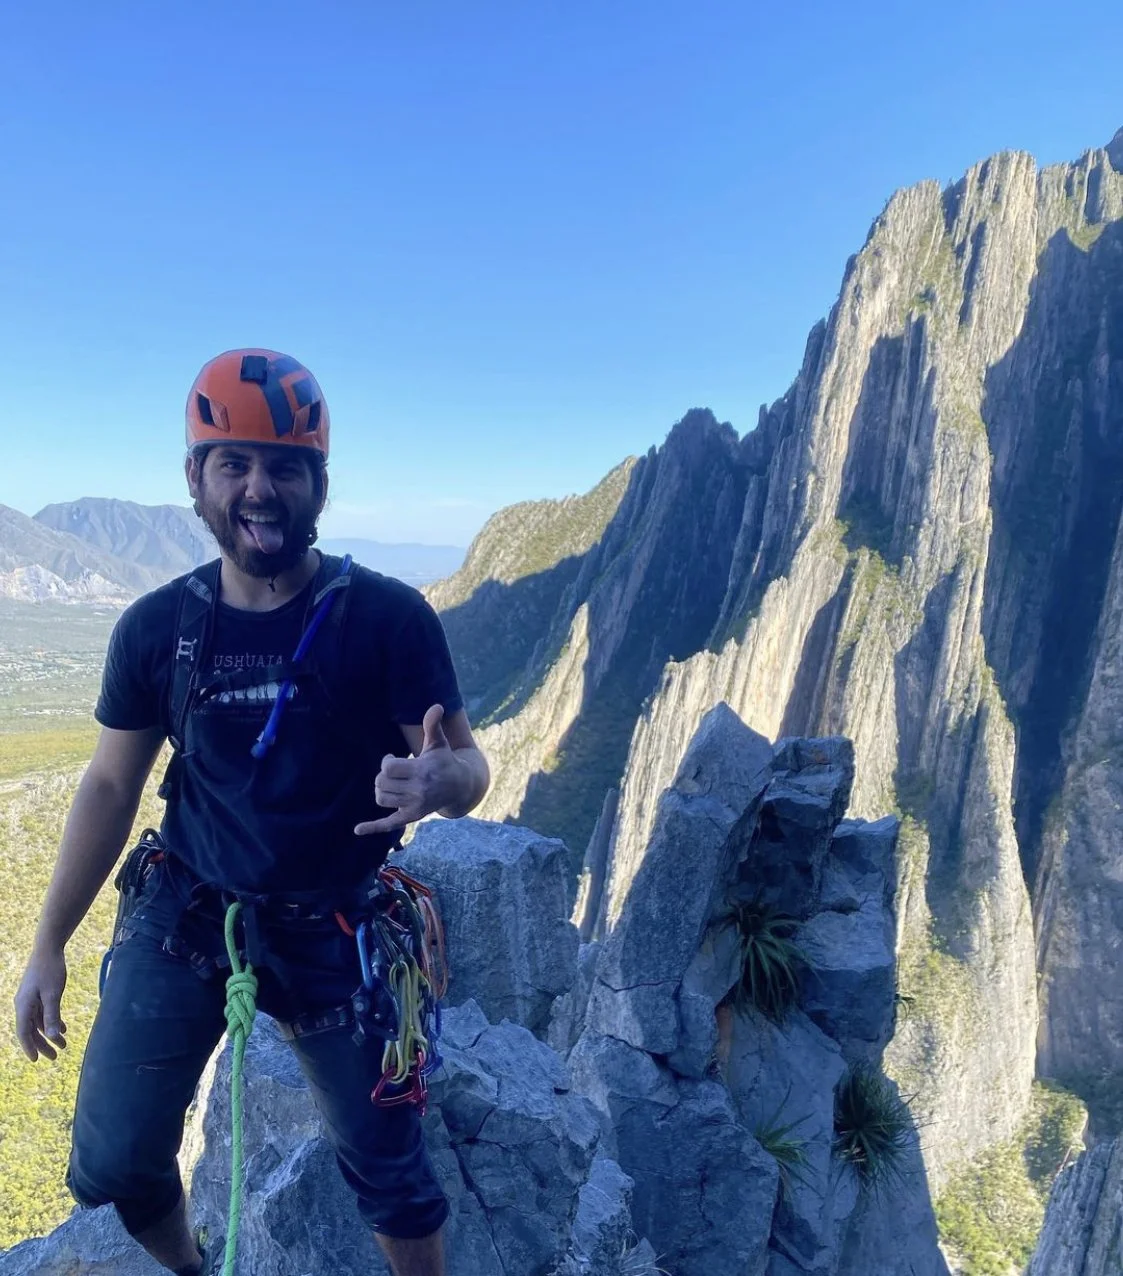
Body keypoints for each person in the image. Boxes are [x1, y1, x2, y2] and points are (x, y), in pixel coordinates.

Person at [13, 349, 489, 1276]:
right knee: (111, 1166)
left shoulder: (386, 619)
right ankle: (190, 1269)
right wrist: (48, 944)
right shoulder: (158, 630)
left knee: (390, 1173)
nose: (260, 489)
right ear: (196, 479)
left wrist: (442, 786)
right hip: (190, 910)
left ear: (318, 483)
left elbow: (467, 764)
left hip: (337, 923)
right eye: (234, 463)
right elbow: (111, 787)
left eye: (284, 466)